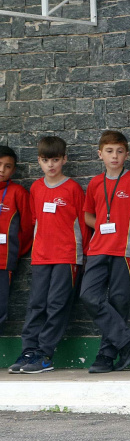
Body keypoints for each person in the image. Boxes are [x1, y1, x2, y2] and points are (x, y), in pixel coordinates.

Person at [80, 130, 130, 374]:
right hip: (97, 248)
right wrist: (103, 226)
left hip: (124, 250)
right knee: (88, 295)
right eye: (109, 151)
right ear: (100, 154)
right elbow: (88, 216)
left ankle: (106, 356)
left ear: (126, 155)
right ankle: (128, 341)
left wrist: (128, 226)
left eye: (119, 151)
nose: (114, 156)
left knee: (118, 302)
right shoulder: (95, 183)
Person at [14, 137, 87, 374]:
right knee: (36, 304)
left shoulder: (73, 188)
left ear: (64, 159)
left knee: (57, 304)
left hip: (67, 256)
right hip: (41, 257)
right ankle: (29, 351)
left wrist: (83, 254)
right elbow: (33, 221)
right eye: (46, 160)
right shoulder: (36, 188)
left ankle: (45, 354)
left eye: (55, 160)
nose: (51, 165)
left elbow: (83, 224)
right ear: (39, 161)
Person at [0, 146, 33, 369]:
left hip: (4, 262)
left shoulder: (18, 193)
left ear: (13, 170)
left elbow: (28, 228)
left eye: (7, 166)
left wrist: (15, 252)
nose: (2, 170)